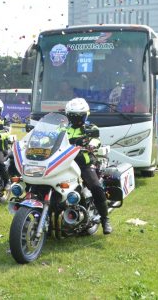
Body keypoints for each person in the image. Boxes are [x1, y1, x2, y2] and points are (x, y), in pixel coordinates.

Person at [63, 97, 112, 235]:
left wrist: (91, 144)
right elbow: (50, 137)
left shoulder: (90, 128)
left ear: (85, 115)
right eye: (73, 116)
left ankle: (105, 219)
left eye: (80, 116)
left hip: (84, 163)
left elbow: (96, 139)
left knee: (96, 187)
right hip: (63, 163)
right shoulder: (62, 128)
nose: (77, 119)